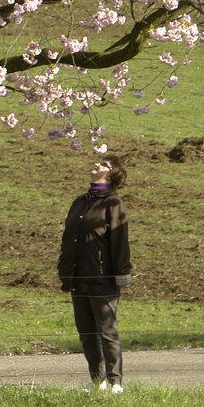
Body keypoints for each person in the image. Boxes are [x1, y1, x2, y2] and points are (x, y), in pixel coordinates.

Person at [58, 156, 132, 393]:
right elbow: (67, 239)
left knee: (107, 331)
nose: (97, 165)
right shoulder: (80, 202)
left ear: (112, 175)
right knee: (86, 332)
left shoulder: (113, 203)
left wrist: (122, 274)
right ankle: (96, 381)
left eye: (104, 165)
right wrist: (64, 267)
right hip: (78, 278)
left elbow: (119, 241)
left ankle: (115, 382)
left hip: (102, 278)